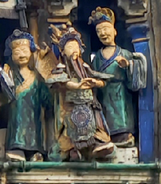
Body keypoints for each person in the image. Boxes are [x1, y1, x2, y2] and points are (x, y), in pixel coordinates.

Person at [46, 25, 115, 161]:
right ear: (63, 52)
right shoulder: (62, 67)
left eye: (76, 47)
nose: (74, 50)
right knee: (71, 126)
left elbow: (100, 79)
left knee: (94, 124)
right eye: (70, 47)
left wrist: (95, 83)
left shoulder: (84, 67)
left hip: (89, 102)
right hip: (70, 104)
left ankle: (97, 145)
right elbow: (61, 81)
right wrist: (76, 85)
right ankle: (71, 149)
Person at [89, 7, 147, 147]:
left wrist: (128, 65)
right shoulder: (97, 57)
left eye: (105, 29)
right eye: (99, 31)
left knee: (122, 114)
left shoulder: (125, 53)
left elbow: (136, 77)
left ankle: (124, 134)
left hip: (120, 93)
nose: (103, 33)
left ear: (114, 31)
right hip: (104, 92)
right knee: (104, 115)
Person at [2, 30, 52, 162]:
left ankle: (35, 151)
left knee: (34, 128)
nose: (21, 55)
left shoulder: (37, 76)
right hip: (16, 112)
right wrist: (5, 77)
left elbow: (46, 98)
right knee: (17, 125)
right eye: (17, 52)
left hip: (33, 113)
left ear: (31, 52)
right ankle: (16, 148)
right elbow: (8, 93)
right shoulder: (12, 74)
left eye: (24, 50)